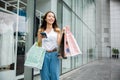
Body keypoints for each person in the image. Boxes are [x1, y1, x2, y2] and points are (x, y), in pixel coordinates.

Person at [37, 11, 61, 80]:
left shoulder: (57, 30)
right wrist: (40, 39)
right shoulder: (41, 30)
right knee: (44, 75)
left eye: (53, 17)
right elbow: (39, 44)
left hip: (54, 54)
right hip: (44, 54)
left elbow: (59, 43)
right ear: (45, 19)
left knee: (54, 74)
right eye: (49, 16)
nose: (51, 18)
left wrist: (64, 35)